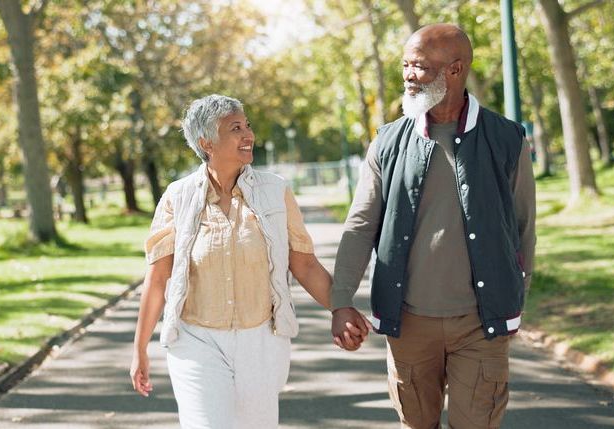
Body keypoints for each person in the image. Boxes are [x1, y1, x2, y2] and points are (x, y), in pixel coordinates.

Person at [330, 24, 536, 428]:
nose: (408, 75)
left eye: (420, 67)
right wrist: (341, 300)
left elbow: (523, 226)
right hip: (408, 324)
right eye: (406, 65)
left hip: (480, 325)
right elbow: (359, 226)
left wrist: (514, 300)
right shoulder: (388, 141)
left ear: (455, 70)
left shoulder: (507, 138)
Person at [129, 94, 340, 429]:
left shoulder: (275, 191)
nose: (248, 135)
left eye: (247, 126)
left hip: (260, 341)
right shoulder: (177, 197)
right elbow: (157, 279)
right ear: (206, 142)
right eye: (235, 128)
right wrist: (140, 348)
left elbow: (305, 265)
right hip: (196, 341)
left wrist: (341, 309)